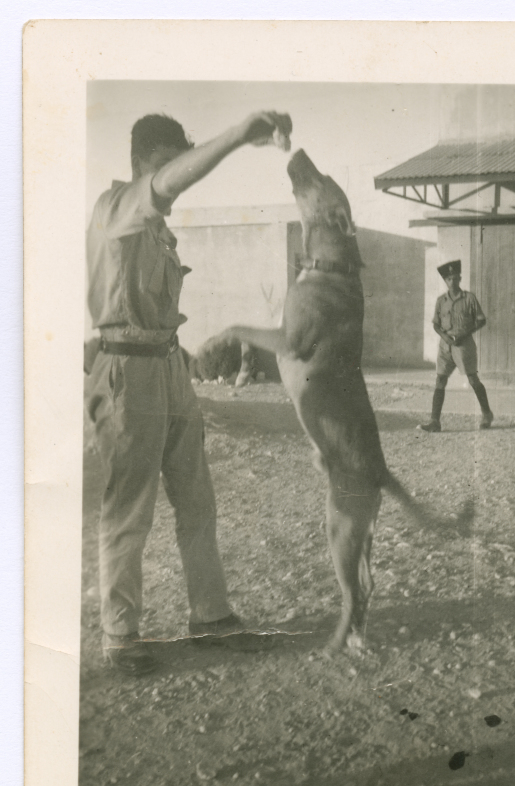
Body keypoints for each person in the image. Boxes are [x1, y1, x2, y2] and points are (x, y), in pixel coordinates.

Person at [86, 110, 292, 674]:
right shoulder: (119, 207)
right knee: (129, 510)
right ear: (143, 160)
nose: (175, 173)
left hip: (168, 363)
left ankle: (211, 616)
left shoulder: (156, 228)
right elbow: (171, 184)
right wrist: (239, 135)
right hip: (128, 369)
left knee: (197, 499)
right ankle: (120, 637)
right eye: (167, 160)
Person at [419, 259, 494, 433]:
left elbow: (481, 320)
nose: (452, 282)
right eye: (449, 279)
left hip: (463, 345)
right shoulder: (441, 301)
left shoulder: (469, 298)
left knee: (472, 379)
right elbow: (436, 324)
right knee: (440, 380)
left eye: (455, 278)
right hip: (445, 346)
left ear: (460, 279)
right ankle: (434, 421)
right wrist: (444, 336)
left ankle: (486, 414)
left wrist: (464, 334)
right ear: (445, 281)